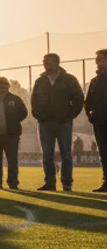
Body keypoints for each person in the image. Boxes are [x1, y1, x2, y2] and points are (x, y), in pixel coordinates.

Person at [31, 53, 84, 191]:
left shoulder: (69, 80)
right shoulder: (40, 81)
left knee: (66, 153)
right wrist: (39, 116)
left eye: (48, 62)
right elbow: (34, 101)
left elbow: (78, 99)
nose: (45, 64)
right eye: (44, 62)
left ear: (57, 63)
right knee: (47, 154)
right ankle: (50, 183)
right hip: (45, 123)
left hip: (63, 123)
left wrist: (69, 116)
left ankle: (67, 183)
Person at [84, 49, 107, 193]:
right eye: (97, 59)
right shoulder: (95, 81)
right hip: (99, 122)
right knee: (104, 153)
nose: (97, 62)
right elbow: (88, 102)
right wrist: (90, 116)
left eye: (100, 59)